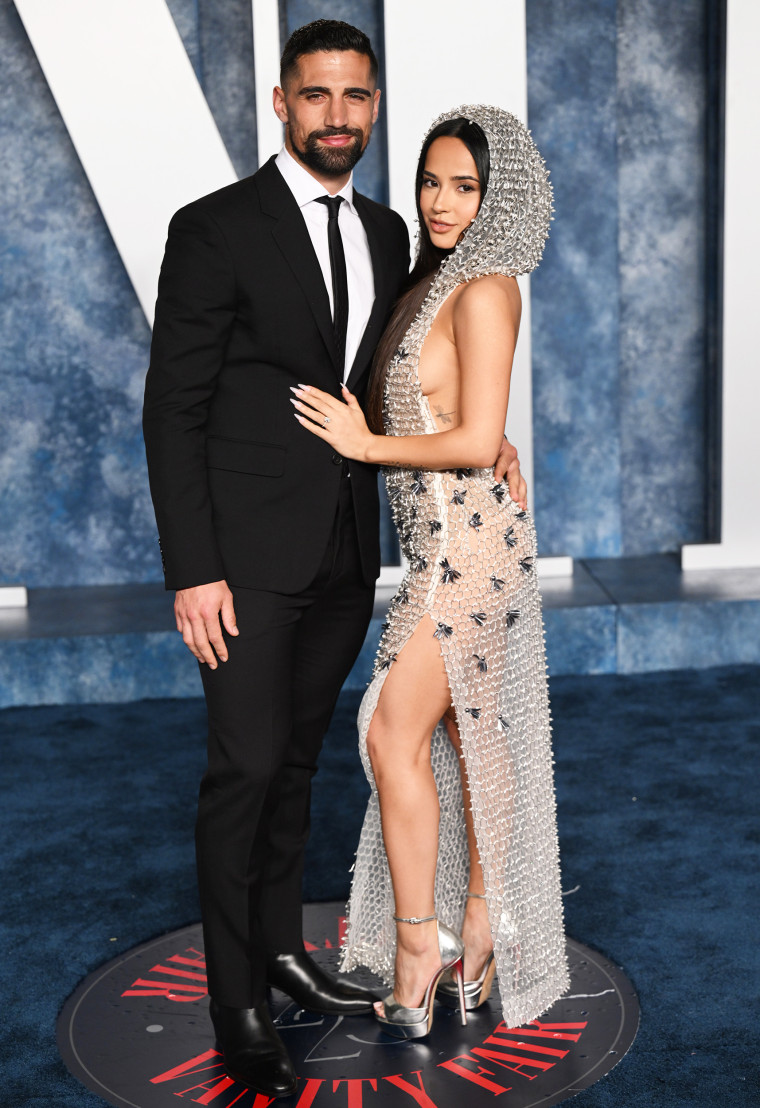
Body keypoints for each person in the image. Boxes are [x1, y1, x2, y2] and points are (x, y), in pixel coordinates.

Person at [143, 20, 526, 1098]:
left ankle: (278, 954)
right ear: (280, 103)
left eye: (356, 97)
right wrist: (194, 566)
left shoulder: (393, 232)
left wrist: (490, 436)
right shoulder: (213, 228)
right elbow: (171, 407)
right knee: (244, 770)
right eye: (316, 97)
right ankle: (238, 1002)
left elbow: (414, 372)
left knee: (301, 764)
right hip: (244, 562)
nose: (338, 117)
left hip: (349, 551)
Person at [293, 105, 569, 1039]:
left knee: (390, 733)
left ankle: (424, 947)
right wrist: (477, 442)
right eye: (431, 182)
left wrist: (367, 445)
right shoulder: (433, 279)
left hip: (468, 554)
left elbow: (473, 436)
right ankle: (475, 933)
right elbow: (466, 419)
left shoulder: (488, 286)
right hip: (442, 546)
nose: (442, 202)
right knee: (459, 745)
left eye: (465, 186)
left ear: (499, 197)